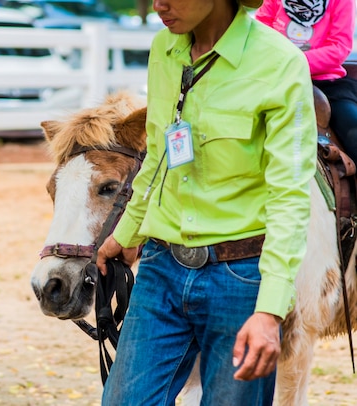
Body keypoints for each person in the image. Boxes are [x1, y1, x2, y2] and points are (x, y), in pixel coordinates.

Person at [95, 0, 318, 404]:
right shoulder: (163, 49)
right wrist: (125, 233)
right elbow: (158, 159)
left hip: (241, 280)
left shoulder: (280, 63)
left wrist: (269, 311)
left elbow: (289, 196)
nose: (157, 5)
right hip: (160, 269)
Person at [256, 0, 357, 161]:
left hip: (326, 82)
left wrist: (293, 62)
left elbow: (339, 47)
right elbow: (259, 33)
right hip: (276, 76)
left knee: (353, 127)